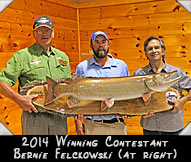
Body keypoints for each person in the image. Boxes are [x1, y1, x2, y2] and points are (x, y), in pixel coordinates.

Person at [0, 16, 71, 135]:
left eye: (47, 30)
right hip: (35, 117)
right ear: (34, 33)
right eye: (40, 30)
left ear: (53, 33)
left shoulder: (63, 57)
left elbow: (69, 84)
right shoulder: (22, 56)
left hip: (59, 117)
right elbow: (2, 82)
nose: (44, 34)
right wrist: (18, 99)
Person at [75, 31, 130, 135]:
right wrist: (78, 122)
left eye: (103, 42)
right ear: (91, 45)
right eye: (97, 42)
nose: (100, 45)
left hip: (117, 125)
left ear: (108, 44)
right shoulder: (82, 67)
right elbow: (76, 93)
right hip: (92, 126)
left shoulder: (121, 66)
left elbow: (127, 92)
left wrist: (128, 111)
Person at [134, 36, 191, 135]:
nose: (154, 51)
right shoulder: (139, 74)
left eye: (157, 47)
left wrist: (182, 101)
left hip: (173, 128)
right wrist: (140, 110)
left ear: (163, 51)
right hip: (149, 128)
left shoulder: (176, 73)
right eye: (150, 49)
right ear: (146, 53)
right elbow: (134, 100)